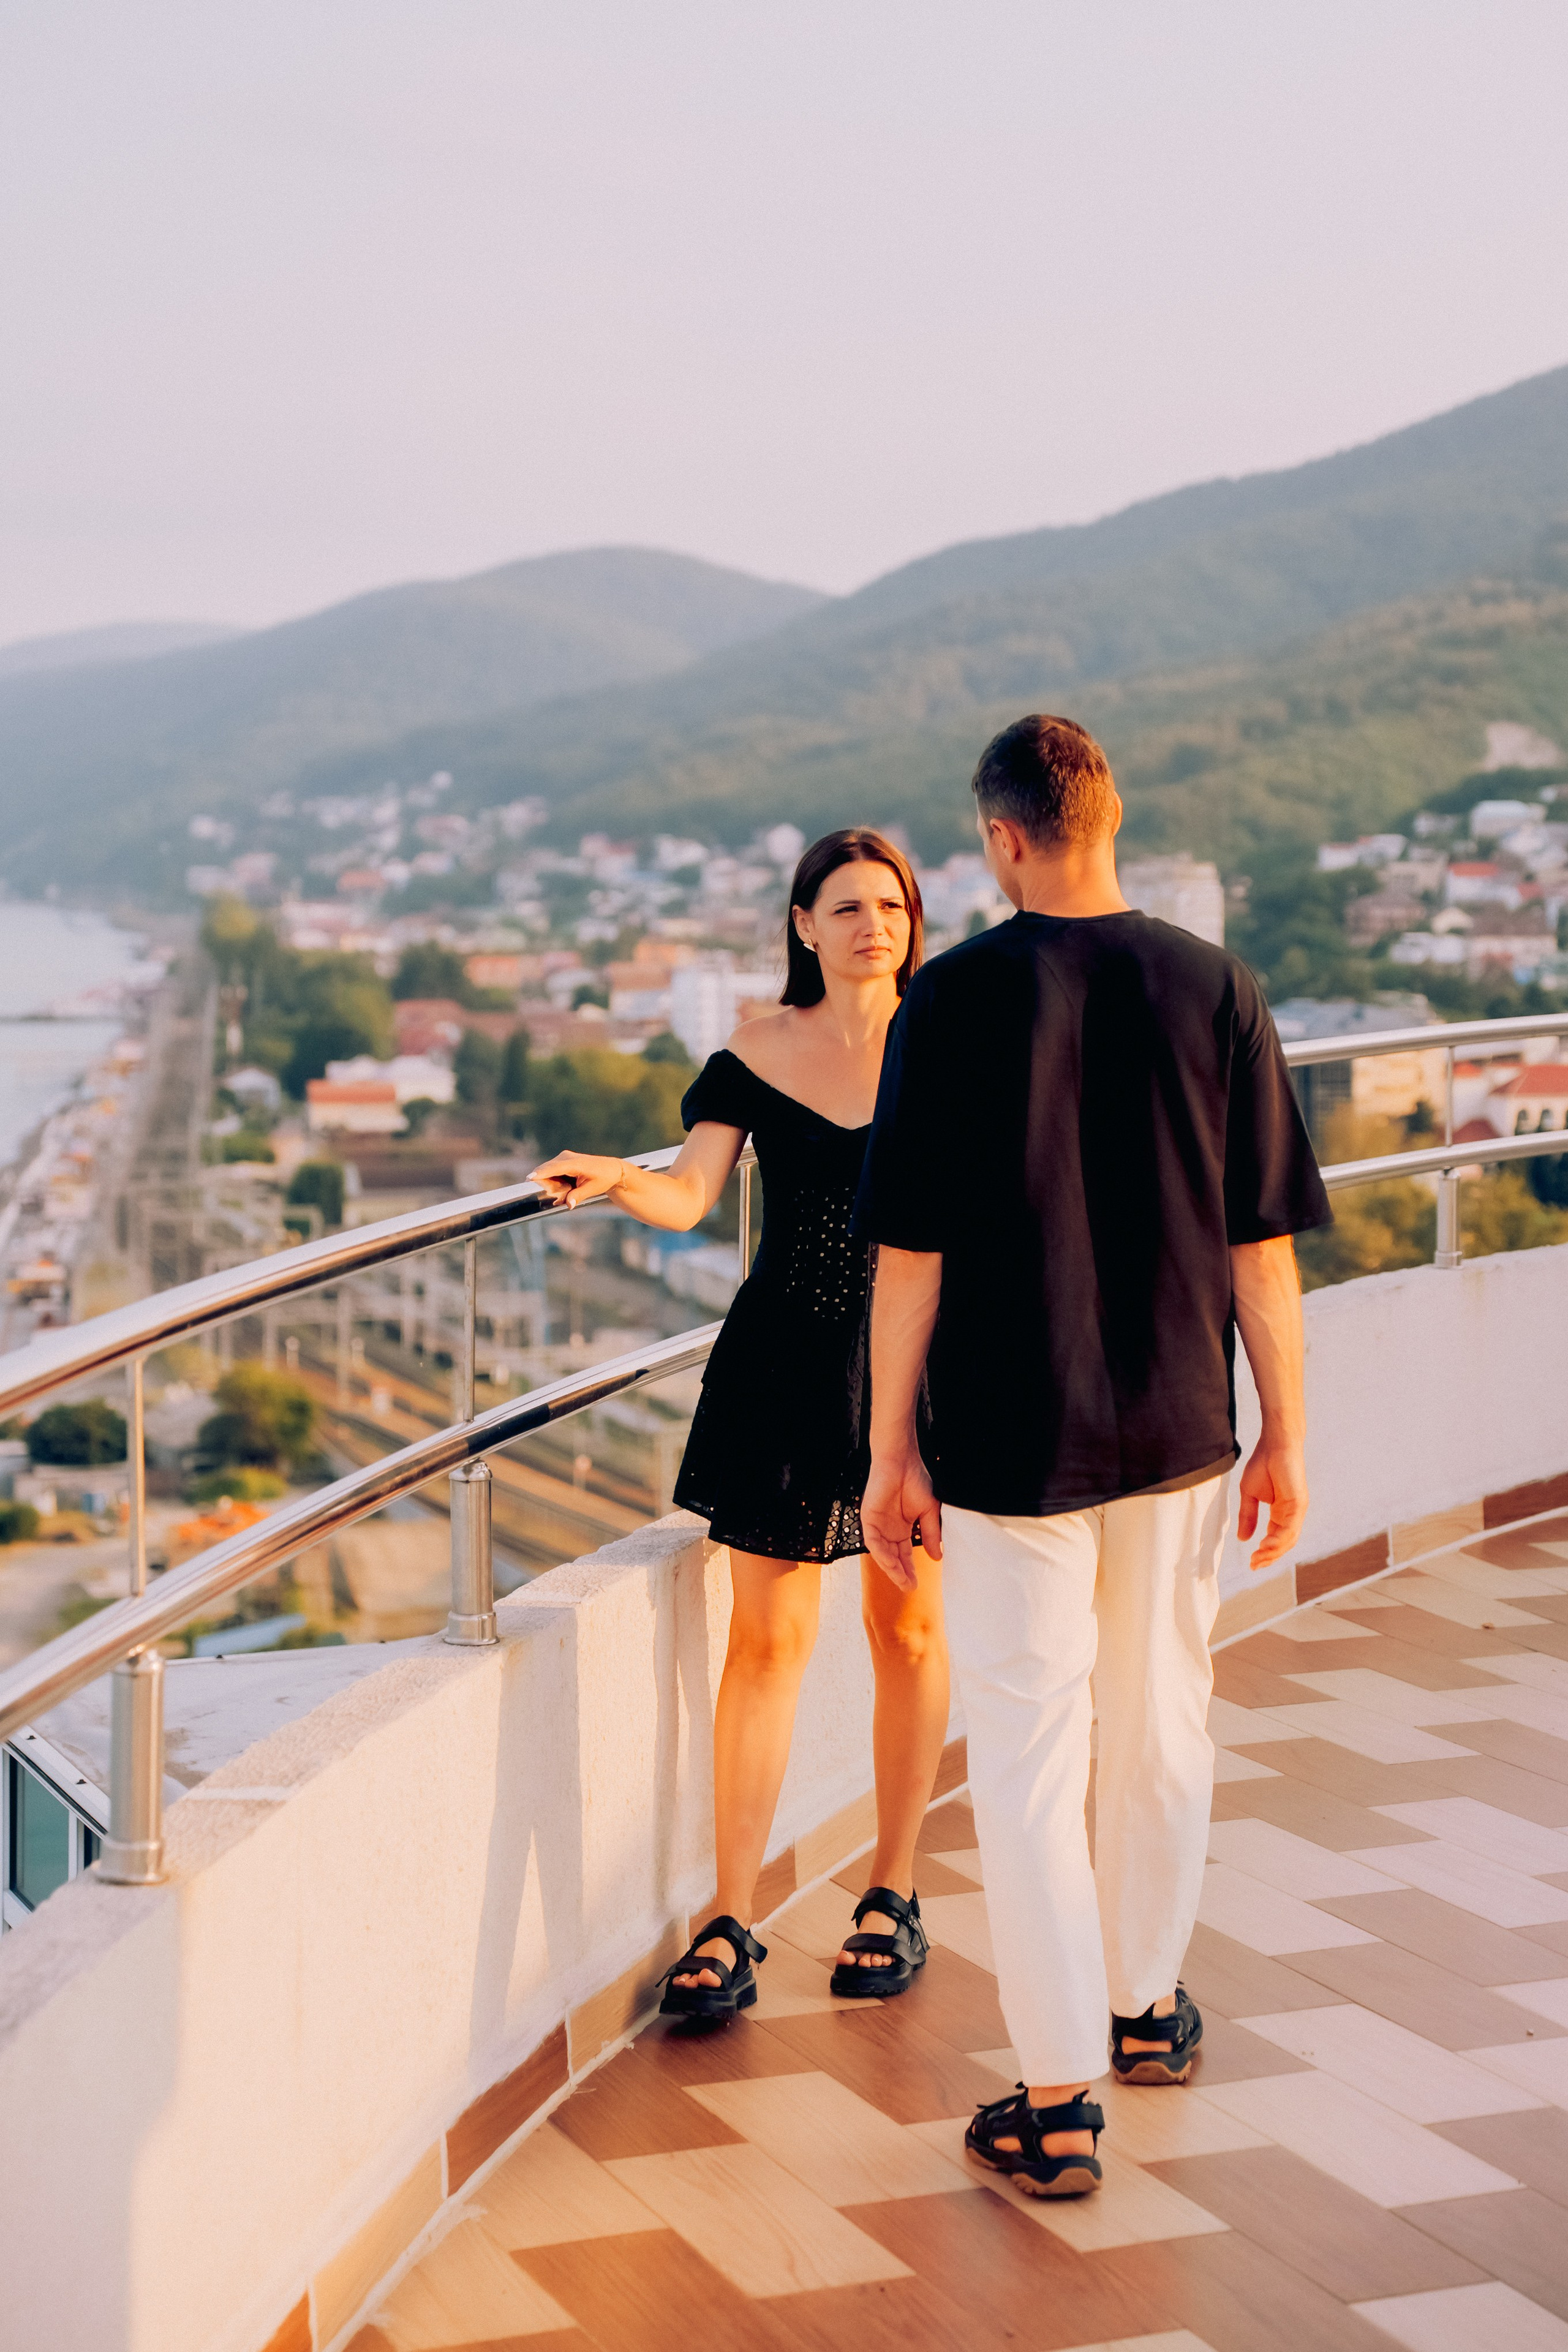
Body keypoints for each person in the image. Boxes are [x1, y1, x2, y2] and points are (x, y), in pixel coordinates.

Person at [856, 715, 1329, 2195]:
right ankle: (1143, 2011)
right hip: (1183, 1432)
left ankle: (1054, 2099)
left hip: (1011, 1441)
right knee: (1161, 1720)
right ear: (1110, 817)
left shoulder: (947, 1003)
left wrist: (888, 1453)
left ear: (1000, 837)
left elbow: (909, 1258)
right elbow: (1260, 1254)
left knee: (1029, 1748)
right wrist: (1285, 1437)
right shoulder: (1214, 987)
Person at [532, 827, 948, 2020]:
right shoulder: (752, 1050)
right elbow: (689, 1195)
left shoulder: (953, 1045)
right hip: (783, 1364)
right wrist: (616, 1173)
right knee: (764, 1644)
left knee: (908, 1633)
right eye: (846, 905)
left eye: (890, 904)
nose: (872, 923)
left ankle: (891, 1890)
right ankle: (728, 1917)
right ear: (802, 925)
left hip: (914, 1371)